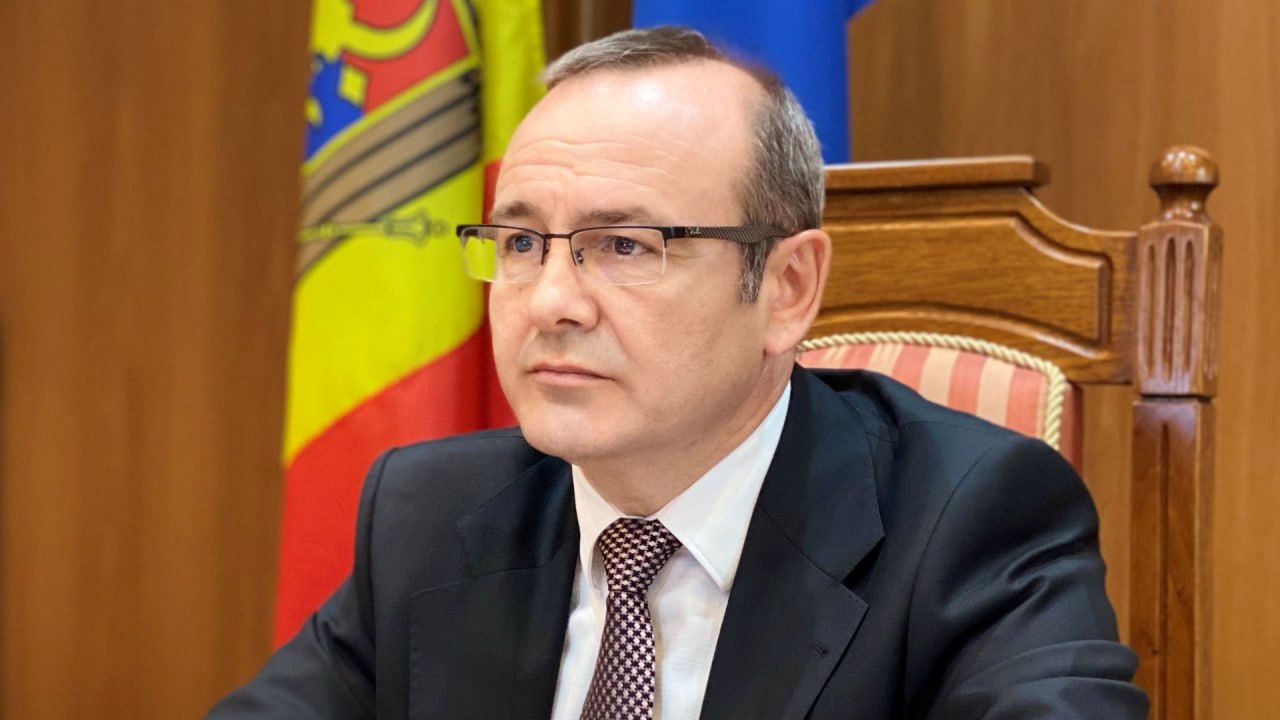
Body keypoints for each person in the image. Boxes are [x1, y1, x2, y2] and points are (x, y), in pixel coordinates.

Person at [210, 26, 1147, 719]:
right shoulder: (429, 514)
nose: (551, 302)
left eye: (625, 245)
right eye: (522, 243)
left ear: (787, 288)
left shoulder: (968, 520)